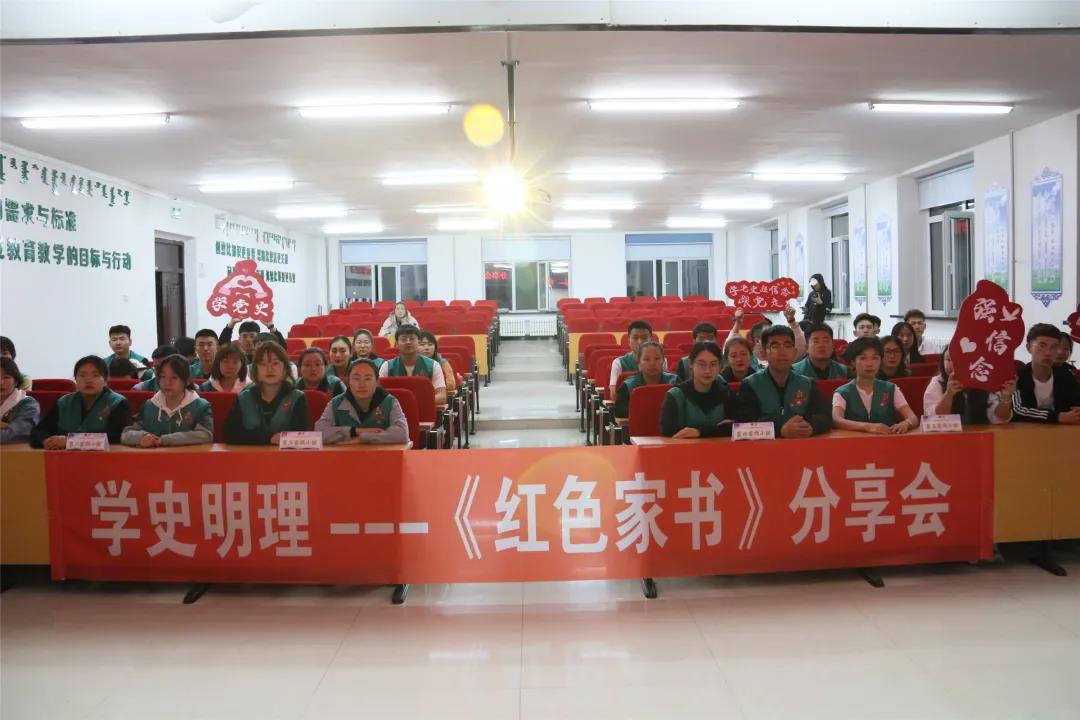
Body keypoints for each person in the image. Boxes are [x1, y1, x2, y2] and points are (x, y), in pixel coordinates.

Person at [737, 325, 832, 438]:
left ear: (795, 352)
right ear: (763, 354)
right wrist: (780, 430)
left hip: (802, 444)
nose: (782, 352)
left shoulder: (807, 384)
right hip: (763, 446)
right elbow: (743, 426)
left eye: (787, 346)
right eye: (775, 346)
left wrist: (811, 427)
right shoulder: (750, 385)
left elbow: (825, 417)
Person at [30, 356, 132, 449]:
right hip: (63, 458)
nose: (88, 380)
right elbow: (39, 431)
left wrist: (71, 441)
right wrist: (46, 441)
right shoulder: (64, 403)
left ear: (105, 380)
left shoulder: (118, 403)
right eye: (82, 375)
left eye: (95, 375)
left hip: (106, 458)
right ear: (75, 380)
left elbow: (117, 437)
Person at [223, 342, 310, 444]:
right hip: (249, 453)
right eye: (263, 364)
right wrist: (269, 438)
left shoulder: (297, 397)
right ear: (255, 369)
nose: (269, 369)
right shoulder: (244, 398)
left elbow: (302, 435)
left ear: (285, 368)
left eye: (275, 363)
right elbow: (230, 435)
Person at [121, 354, 213, 447]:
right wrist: (143, 437)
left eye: (174, 377)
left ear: (187, 381)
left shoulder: (200, 406)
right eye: (163, 376)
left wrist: (165, 440)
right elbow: (126, 434)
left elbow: (205, 435)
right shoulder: (149, 405)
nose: (167, 382)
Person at [832, 337, 919, 434]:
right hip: (852, 441)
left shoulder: (891, 388)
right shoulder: (842, 392)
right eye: (863, 358)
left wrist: (905, 424)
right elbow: (837, 420)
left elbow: (913, 418)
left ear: (881, 361)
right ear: (853, 362)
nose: (869, 364)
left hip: (887, 440)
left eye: (875, 358)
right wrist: (867, 427)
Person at [315, 358, 409, 445]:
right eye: (356, 378)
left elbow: (402, 433)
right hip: (345, 455)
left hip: (381, 455)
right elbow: (319, 433)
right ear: (349, 382)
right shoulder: (336, 403)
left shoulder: (389, 401)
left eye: (367, 379)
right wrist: (354, 431)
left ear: (377, 382)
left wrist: (363, 438)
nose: (361, 384)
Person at [660, 342, 738, 438]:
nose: (707, 371)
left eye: (713, 364)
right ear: (690, 363)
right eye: (702, 364)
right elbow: (668, 432)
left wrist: (699, 432)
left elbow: (737, 427)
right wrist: (719, 430)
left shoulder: (726, 393)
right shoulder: (676, 395)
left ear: (720, 366)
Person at [923, 348, 1014, 424]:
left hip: (981, 434)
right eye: (948, 359)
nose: (953, 364)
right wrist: (948, 394)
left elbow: (1000, 419)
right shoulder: (937, 382)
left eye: (960, 358)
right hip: (947, 436)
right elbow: (933, 419)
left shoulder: (984, 379)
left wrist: (1006, 397)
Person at [1012, 324, 1080, 424]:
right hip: (1027, 431)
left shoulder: (1066, 375)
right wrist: (1058, 417)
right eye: (1042, 346)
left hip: (1061, 431)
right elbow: (1017, 410)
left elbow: (1075, 402)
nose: (1048, 352)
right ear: (1029, 347)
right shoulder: (1018, 376)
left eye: (1054, 347)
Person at [379, 325, 447, 405]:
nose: (408, 342)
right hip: (395, 410)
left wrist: (415, 402)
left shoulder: (433, 365)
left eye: (412, 338)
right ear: (397, 343)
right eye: (404, 339)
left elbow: (442, 396)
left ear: (418, 342)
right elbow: (378, 395)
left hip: (424, 410)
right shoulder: (387, 366)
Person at [615, 341, 677, 418]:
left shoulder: (675, 382)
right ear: (639, 363)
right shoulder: (627, 386)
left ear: (663, 361)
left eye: (657, 359)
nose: (652, 363)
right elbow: (620, 412)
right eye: (646, 359)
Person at [609, 321, 653, 398]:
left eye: (644, 338)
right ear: (629, 340)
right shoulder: (618, 363)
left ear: (651, 340)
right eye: (635, 338)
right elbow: (613, 395)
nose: (640, 342)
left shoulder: (660, 361)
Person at [0, 357, 40, 443]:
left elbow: (15, 435)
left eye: (6, 377)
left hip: (16, 450)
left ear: (16, 381)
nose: (1, 382)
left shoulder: (29, 404)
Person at [218, 318, 285, 361]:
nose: (248, 339)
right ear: (239, 340)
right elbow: (222, 347)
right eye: (244, 336)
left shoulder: (265, 355)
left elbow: (282, 349)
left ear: (259, 338)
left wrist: (271, 327)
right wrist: (230, 325)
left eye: (252, 336)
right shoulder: (235, 357)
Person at [418, 330, 457, 395]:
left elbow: (451, 385)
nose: (427, 348)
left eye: (430, 344)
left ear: (435, 347)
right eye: (422, 344)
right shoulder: (410, 364)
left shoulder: (442, 363)